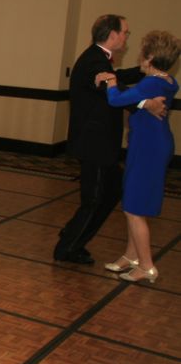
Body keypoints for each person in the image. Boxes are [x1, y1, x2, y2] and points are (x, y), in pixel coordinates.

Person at [53, 15, 166, 265]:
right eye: (125, 32)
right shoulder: (94, 61)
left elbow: (116, 79)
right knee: (94, 200)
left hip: (100, 144)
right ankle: (67, 247)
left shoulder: (98, 58)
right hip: (94, 145)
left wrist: (145, 69)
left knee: (112, 190)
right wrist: (147, 103)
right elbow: (112, 89)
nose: (127, 37)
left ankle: (72, 234)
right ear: (112, 34)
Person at [99, 30, 180, 283]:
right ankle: (131, 257)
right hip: (151, 144)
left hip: (149, 147)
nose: (139, 54)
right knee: (133, 202)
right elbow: (137, 98)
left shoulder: (151, 84)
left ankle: (146, 266)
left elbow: (117, 100)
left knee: (134, 208)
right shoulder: (167, 81)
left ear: (150, 56)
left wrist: (111, 82)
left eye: (142, 50)